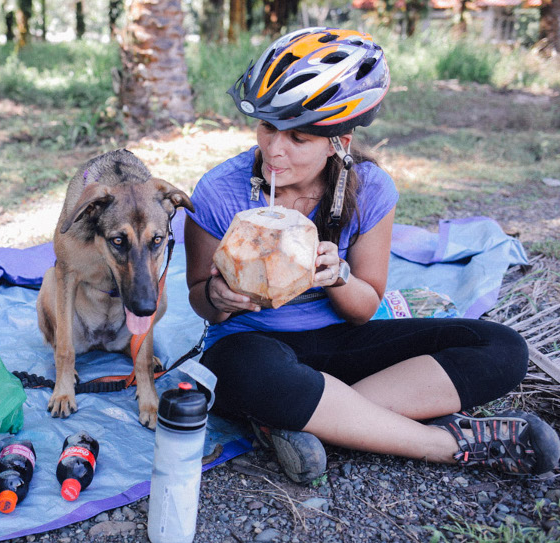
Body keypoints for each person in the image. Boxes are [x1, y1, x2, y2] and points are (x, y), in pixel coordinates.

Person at [183, 27, 560, 484]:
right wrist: (220, 296)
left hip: (340, 341)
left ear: (338, 142)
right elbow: (200, 301)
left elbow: (364, 310)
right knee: (244, 373)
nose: (273, 149)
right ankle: (444, 446)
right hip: (253, 348)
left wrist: (336, 276)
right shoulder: (220, 191)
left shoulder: (371, 189)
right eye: (266, 126)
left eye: (298, 139)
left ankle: (311, 418)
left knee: (502, 348)